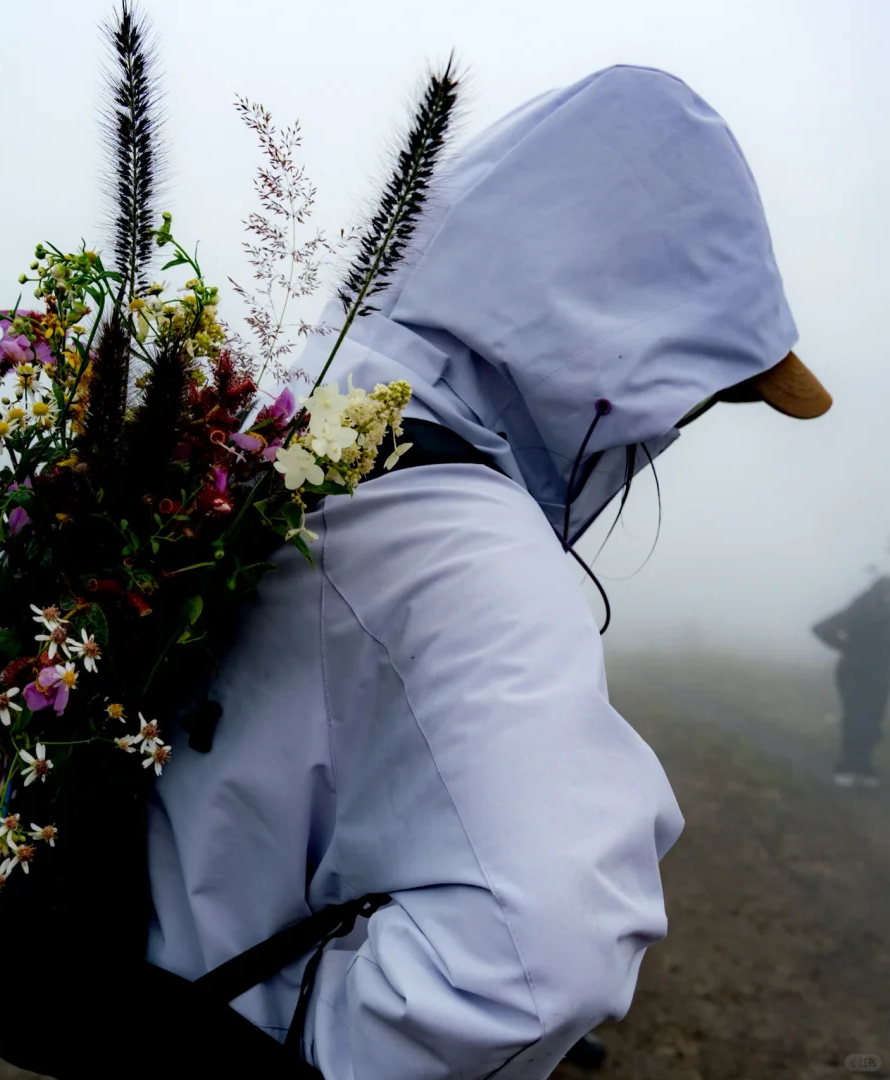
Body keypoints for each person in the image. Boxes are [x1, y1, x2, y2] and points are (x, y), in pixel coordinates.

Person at [147, 65, 831, 1077]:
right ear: (613, 327)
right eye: (694, 387)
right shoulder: (473, 554)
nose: (675, 423)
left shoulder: (309, 435)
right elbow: (536, 966)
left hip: (147, 1001)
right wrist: (288, 1045)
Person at [813, 577, 890, 788]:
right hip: (853, 673)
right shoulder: (858, 611)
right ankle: (847, 766)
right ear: (877, 593)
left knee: (873, 722)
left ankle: (864, 765)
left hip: (880, 675)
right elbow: (821, 628)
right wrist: (847, 648)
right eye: (886, 592)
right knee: (857, 717)